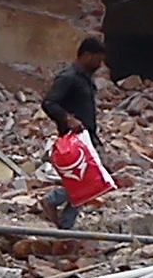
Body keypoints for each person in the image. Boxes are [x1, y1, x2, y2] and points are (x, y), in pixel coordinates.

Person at [40, 36, 107, 229]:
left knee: (84, 184)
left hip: (86, 136)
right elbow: (49, 103)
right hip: (74, 139)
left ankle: (66, 226)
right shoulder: (68, 78)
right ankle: (52, 200)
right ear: (87, 55)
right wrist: (67, 119)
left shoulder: (84, 78)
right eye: (98, 59)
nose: (100, 65)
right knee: (88, 182)